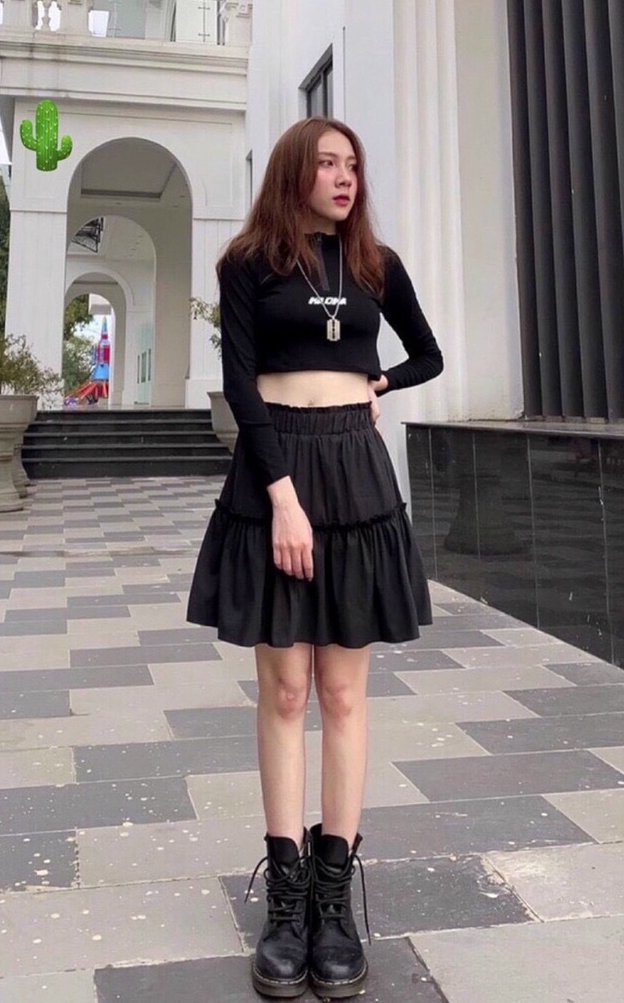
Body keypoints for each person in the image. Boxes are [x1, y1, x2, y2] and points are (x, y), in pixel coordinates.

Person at [186, 116, 443, 1000]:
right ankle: (286, 897)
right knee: (286, 690)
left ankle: (334, 900)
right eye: (327, 163)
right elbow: (240, 383)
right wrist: (283, 496)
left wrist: (381, 383)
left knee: (341, 691)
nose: (344, 177)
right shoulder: (247, 263)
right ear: (295, 171)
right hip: (276, 468)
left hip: (356, 471)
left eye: (352, 165)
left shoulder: (376, 265)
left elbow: (427, 354)